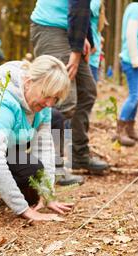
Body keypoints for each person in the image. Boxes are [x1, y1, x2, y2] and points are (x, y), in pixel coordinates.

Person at [0, 55, 75, 222]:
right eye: (47, 95)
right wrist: (24, 210)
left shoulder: (41, 102)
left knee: (34, 193)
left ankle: (18, 185)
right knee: (32, 170)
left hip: (6, 143)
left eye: (55, 98)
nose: (49, 103)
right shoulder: (1, 101)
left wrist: (47, 194)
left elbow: (44, 147)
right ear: (29, 82)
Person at [30, 0, 109, 180]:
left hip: (68, 27)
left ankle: (79, 156)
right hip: (50, 27)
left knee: (87, 91)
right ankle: (52, 168)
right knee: (63, 99)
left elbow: (83, 8)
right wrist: (75, 49)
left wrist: (84, 38)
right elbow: (78, 6)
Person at [116, 0, 138, 147]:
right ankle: (120, 131)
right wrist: (135, 57)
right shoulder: (137, 7)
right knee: (135, 95)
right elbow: (131, 33)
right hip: (133, 59)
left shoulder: (135, 7)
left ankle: (130, 129)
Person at [89, 0, 107, 83]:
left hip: (91, 54)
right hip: (91, 54)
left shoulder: (95, 2)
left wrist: (91, 43)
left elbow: (83, 18)